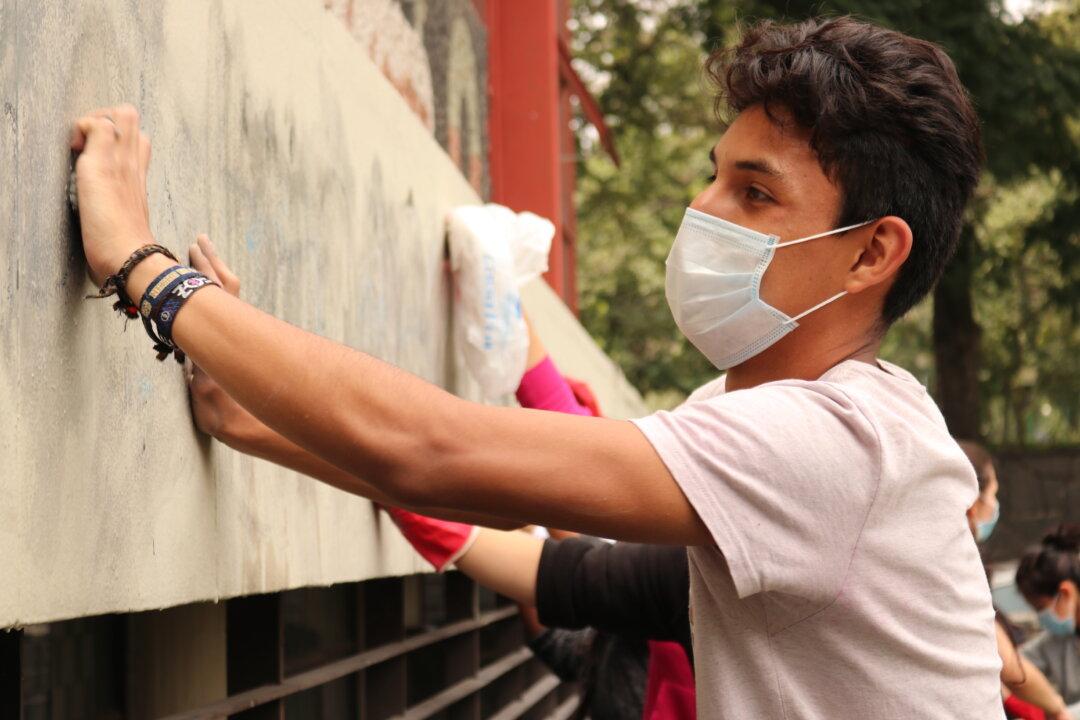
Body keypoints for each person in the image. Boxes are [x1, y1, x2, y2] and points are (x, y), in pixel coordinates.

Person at [70, 15, 1002, 716]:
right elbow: (524, 522)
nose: (704, 209)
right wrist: (254, 425)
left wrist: (145, 270)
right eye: (716, 173)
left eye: (754, 193)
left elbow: (436, 452)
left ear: (872, 253)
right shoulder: (776, 414)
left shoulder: (833, 442)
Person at [957, 442, 1073, 720]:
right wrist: (1055, 708)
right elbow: (1010, 664)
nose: (995, 505)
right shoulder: (958, 567)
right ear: (972, 505)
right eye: (993, 494)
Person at [1016, 525, 1080, 715]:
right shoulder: (1054, 642)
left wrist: (1062, 713)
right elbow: (1014, 665)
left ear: (1065, 592)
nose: (1040, 617)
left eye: (1040, 608)